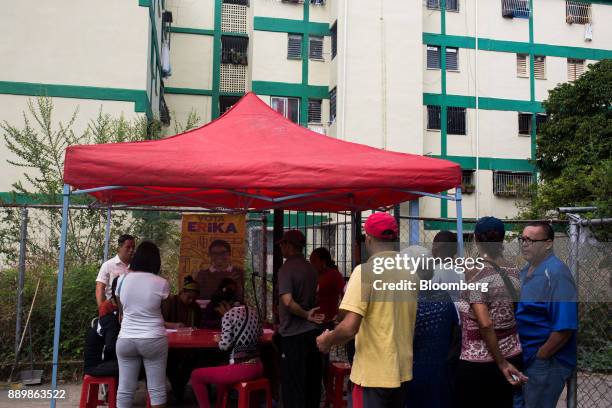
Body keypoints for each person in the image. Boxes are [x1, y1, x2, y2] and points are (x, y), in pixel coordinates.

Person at [317, 212, 418, 408]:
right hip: (402, 372)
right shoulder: (411, 273)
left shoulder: (365, 272)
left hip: (373, 375)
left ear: (368, 238)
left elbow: (349, 327)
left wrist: (327, 340)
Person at [454, 217, 527, 408]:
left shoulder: (476, 274)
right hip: (513, 352)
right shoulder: (514, 271)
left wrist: (501, 363)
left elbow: (485, 323)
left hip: (481, 361)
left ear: (477, 239)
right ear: (502, 239)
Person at [514, 222, 577, 408]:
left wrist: (541, 356)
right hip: (525, 357)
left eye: (531, 240)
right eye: (523, 239)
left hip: (546, 361)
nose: (525, 244)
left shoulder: (556, 273)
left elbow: (564, 327)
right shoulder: (525, 271)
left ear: (548, 244)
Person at [116, 241, 169, 408]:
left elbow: (121, 309)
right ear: (156, 261)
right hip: (153, 339)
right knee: (157, 390)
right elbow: (162, 310)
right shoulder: (161, 283)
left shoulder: (121, 280)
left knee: (124, 390)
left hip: (125, 339)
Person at [403, 246, 457, 408]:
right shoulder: (443, 295)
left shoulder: (405, 299)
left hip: (410, 374)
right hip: (441, 373)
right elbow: (454, 332)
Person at [277, 229, 324, 408]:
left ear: (289, 246)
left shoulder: (286, 269)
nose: (281, 247)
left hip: (293, 335)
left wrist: (305, 315)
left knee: (292, 385)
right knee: (311, 383)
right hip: (312, 334)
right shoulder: (311, 269)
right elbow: (314, 297)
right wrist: (309, 316)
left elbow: (287, 301)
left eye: (282, 244)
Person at [190, 301, 263, 408]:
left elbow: (224, 346)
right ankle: (220, 405)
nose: (219, 313)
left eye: (218, 310)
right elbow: (260, 333)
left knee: (196, 375)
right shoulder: (253, 312)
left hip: (242, 369)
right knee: (222, 367)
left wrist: (219, 339)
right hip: (258, 366)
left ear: (224, 305)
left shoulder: (228, 315)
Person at [162, 276, 202, 402]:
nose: (191, 301)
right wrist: (174, 325)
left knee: (193, 359)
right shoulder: (170, 302)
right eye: (188, 297)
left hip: (189, 344)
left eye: (194, 298)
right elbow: (158, 321)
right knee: (171, 361)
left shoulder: (195, 308)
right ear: (182, 292)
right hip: (170, 344)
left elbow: (198, 326)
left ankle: (179, 387)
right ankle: (177, 388)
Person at [84, 277, 121, 377]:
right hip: (97, 365)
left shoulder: (115, 314)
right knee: (135, 366)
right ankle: (115, 392)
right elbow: (111, 347)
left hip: (102, 362)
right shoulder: (111, 317)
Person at [96, 234, 135, 306]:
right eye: (128, 247)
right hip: (113, 308)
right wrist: (102, 310)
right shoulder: (108, 265)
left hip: (132, 309)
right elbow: (100, 288)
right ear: (119, 248)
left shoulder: (137, 266)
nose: (131, 250)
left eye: (133, 247)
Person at [310, 247, 345, 325]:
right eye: (310, 261)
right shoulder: (312, 275)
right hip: (312, 319)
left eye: (314, 261)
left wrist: (340, 315)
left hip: (328, 320)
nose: (311, 264)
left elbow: (345, 294)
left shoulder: (334, 275)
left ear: (323, 261)